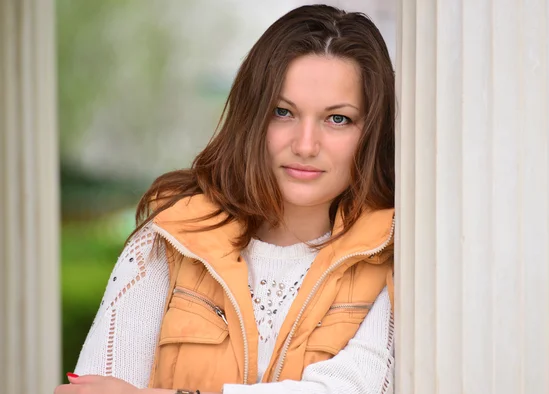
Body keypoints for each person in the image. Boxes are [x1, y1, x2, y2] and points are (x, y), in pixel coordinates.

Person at [55, 4, 395, 394]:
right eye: (282, 112)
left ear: (371, 132)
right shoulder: (171, 238)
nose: (305, 145)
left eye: (338, 119)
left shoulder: (394, 253)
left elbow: (354, 387)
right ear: (252, 117)